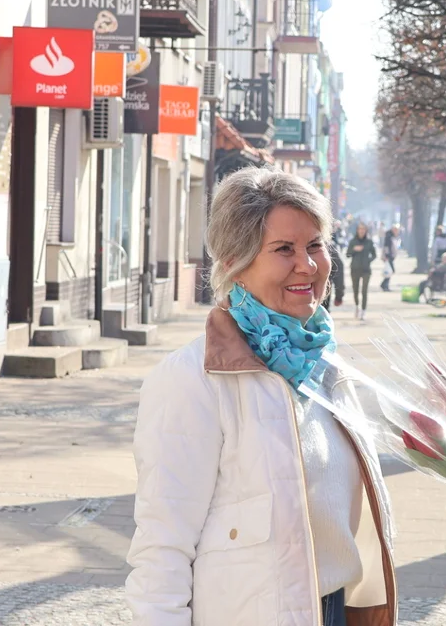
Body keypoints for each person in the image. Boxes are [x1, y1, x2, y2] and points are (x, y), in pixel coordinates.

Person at [126, 168, 396, 626]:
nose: (308, 265)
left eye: (315, 245)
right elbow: (162, 546)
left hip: (336, 611)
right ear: (235, 261)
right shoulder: (192, 380)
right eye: (283, 250)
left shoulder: (327, 364)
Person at [346, 222, 377, 320]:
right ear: (357, 230)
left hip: (366, 270)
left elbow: (374, 255)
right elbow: (348, 254)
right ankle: (357, 307)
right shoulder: (353, 241)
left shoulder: (369, 242)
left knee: (364, 291)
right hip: (354, 269)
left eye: (363, 229)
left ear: (366, 231)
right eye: (360, 229)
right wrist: (354, 249)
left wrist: (368, 260)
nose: (361, 231)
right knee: (355, 290)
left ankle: (363, 311)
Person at [322, 235, 347, 314]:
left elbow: (338, 268)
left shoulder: (327, 246)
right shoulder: (327, 245)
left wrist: (339, 294)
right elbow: (338, 269)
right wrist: (339, 295)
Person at [380, 224, 401, 292]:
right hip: (388, 257)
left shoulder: (392, 236)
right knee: (390, 270)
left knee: (390, 271)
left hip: (390, 256)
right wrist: (387, 256)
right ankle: (384, 285)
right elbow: (386, 247)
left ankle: (384, 284)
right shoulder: (388, 236)